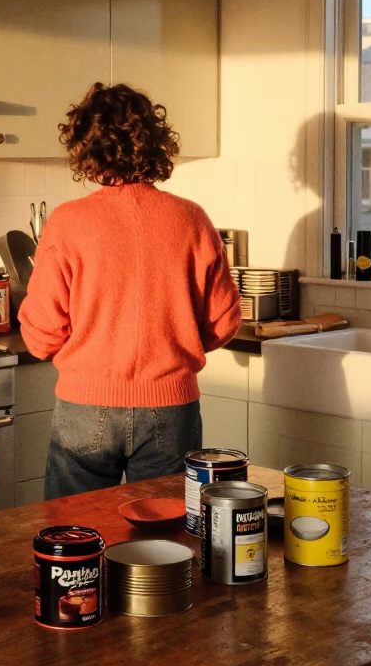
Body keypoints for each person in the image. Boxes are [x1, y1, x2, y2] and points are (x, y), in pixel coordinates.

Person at [18, 82, 242, 499]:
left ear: (85, 148)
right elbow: (224, 320)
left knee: (74, 540)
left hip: (84, 407)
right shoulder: (191, 219)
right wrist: (174, 344)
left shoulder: (67, 222)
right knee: (164, 546)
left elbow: (41, 334)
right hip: (171, 408)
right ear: (156, 143)